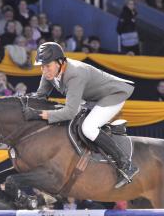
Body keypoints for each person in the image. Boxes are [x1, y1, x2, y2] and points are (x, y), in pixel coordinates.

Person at [26, 42, 137, 188]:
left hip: (114, 94)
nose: (44, 70)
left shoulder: (75, 73)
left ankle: (125, 164)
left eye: (47, 66)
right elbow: (40, 96)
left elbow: (70, 111)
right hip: (92, 98)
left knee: (88, 128)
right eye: (42, 66)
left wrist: (39, 115)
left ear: (60, 62)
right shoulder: (51, 72)